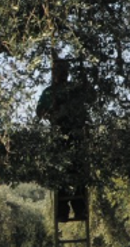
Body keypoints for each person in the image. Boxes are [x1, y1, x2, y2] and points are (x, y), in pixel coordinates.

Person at [36, 57, 91, 222]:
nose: (62, 74)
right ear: (54, 73)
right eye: (59, 71)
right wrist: (53, 111)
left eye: (64, 70)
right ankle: (62, 211)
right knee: (62, 173)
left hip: (76, 134)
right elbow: (39, 112)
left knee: (78, 172)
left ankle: (79, 209)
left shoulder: (75, 89)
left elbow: (90, 97)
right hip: (59, 135)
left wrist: (85, 78)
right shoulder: (49, 92)